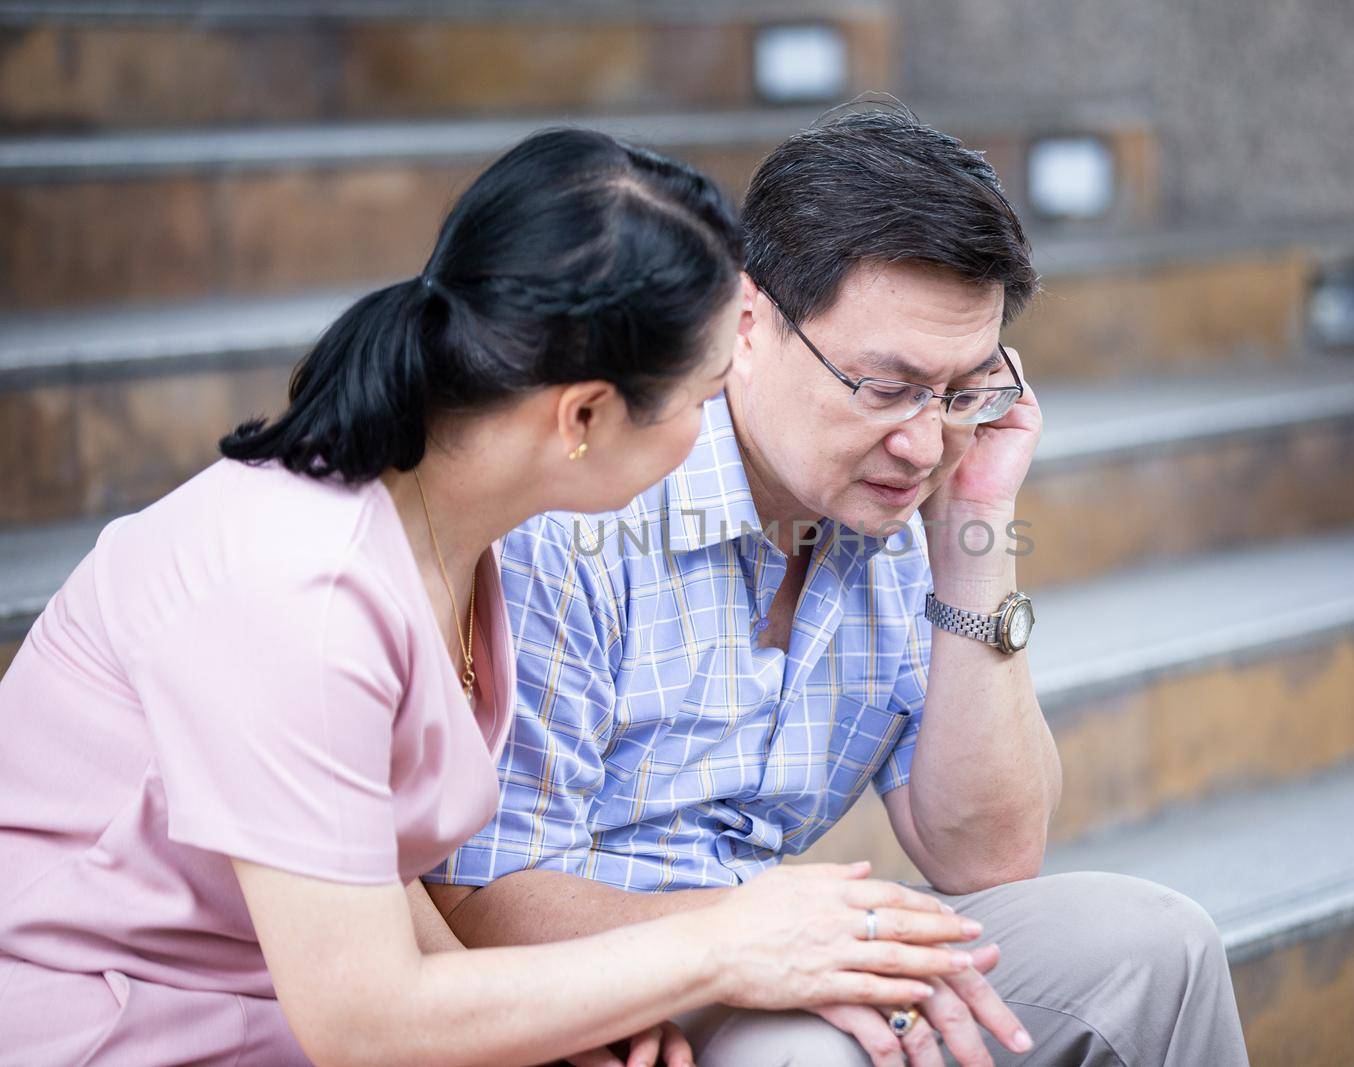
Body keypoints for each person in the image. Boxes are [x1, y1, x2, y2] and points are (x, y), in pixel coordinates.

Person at [0, 128, 984, 1067]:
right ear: (585, 416)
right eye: (700, 397)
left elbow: (383, 901)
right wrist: (724, 941)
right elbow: (364, 1019)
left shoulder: (448, 543)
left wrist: (567, 1015)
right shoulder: (300, 593)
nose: (709, 430)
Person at [424, 108, 1254, 1066]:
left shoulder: (901, 505)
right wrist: (757, 938)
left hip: (796, 946)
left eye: (962, 391)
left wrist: (977, 531)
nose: (923, 441)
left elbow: (984, 855)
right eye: (885, 385)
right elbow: (482, 894)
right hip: (612, 990)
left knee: (1162, 949)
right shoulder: (589, 503)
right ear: (748, 325)